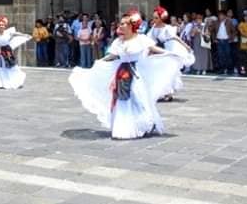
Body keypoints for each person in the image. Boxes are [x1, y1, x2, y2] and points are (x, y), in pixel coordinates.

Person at [69, 10, 183, 140]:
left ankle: (143, 124)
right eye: (120, 23)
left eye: (124, 23)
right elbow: (113, 55)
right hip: (122, 73)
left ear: (131, 25)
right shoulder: (119, 42)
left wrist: (172, 54)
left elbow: (154, 49)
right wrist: (99, 63)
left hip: (136, 73)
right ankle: (125, 126)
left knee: (139, 98)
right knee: (123, 100)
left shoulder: (141, 39)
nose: (121, 26)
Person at [148, 6, 195, 100]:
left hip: (171, 48)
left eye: (156, 18)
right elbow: (149, 40)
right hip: (161, 50)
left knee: (169, 71)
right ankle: (163, 92)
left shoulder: (167, 28)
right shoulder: (153, 28)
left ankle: (168, 93)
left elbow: (175, 38)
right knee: (160, 71)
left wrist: (186, 46)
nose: (154, 20)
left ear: (161, 18)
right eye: (154, 17)